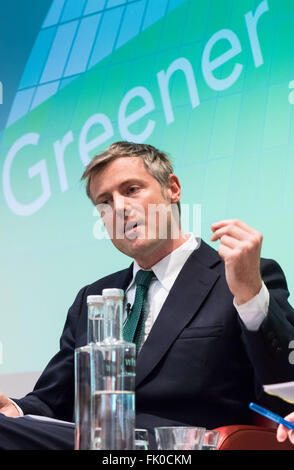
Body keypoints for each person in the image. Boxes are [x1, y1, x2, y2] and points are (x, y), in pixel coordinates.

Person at [0, 141, 294, 450]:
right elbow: (52, 400)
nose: (120, 208)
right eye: (105, 203)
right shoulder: (93, 297)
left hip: (178, 448)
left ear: (173, 189)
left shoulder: (242, 277)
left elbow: (284, 391)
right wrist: (14, 410)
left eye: (131, 190)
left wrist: (250, 294)